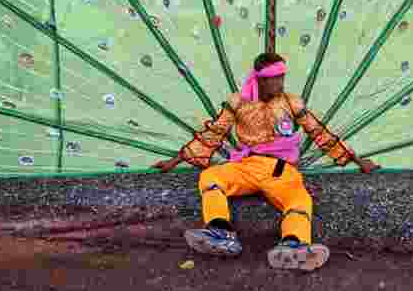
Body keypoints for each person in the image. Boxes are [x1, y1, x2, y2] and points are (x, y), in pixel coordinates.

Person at [152, 52, 380, 271]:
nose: (279, 84)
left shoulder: (291, 102)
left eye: (282, 78)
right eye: (273, 80)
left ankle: (293, 245)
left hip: (281, 169)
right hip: (247, 165)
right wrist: (175, 161)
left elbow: (318, 132)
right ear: (259, 80)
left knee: (299, 200)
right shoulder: (238, 102)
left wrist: (356, 160)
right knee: (210, 176)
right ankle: (220, 231)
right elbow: (214, 132)